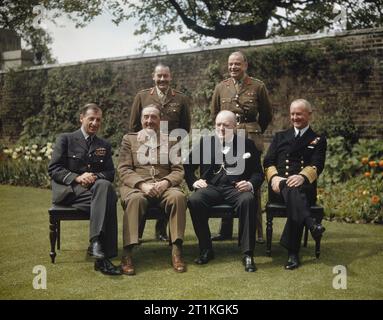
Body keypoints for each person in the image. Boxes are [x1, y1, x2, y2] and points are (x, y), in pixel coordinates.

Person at [184, 110, 264, 272]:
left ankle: (247, 254)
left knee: (248, 199)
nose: (221, 128)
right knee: (194, 200)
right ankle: (206, 249)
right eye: (218, 124)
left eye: (226, 125)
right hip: (211, 188)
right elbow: (187, 167)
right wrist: (194, 182)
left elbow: (258, 173)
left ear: (234, 127)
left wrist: (249, 184)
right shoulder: (205, 143)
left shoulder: (247, 145)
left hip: (236, 188)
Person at [48, 103, 121, 276]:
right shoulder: (65, 139)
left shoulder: (104, 144)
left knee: (104, 186)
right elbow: (54, 168)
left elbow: (110, 173)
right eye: (91, 119)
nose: (95, 123)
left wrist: (94, 177)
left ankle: (97, 246)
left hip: (93, 192)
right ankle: (104, 253)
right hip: (70, 192)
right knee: (109, 198)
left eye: (98, 120)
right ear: (82, 118)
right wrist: (77, 177)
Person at [210, 51, 272, 243]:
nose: (233, 67)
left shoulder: (258, 86)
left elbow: (266, 115)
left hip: (250, 136)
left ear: (245, 65)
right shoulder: (221, 87)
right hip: (227, 137)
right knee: (226, 177)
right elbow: (215, 114)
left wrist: (253, 130)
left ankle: (256, 232)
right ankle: (225, 231)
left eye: (237, 64)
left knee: (252, 180)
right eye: (230, 64)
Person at [118, 105, 187, 275]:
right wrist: (142, 185)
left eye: (153, 117)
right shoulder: (130, 140)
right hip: (138, 188)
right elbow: (124, 169)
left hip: (164, 187)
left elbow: (178, 170)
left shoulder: (171, 141)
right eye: (146, 117)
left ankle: (176, 250)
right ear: (141, 120)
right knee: (136, 200)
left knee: (178, 197)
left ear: (160, 120)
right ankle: (127, 253)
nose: (149, 121)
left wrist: (165, 182)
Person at [129, 63, 191, 242]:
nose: (162, 79)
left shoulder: (180, 98)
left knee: (167, 186)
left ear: (170, 77)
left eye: (166, 76)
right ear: (153, 77)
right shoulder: (142, 96)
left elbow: (185, 127)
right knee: (143, 189)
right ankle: (137, 233)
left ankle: (161, 230)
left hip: (170, 150)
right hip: (145, 148)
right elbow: (134, 125)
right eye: (159, 76)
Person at [263, 99, 327, 270]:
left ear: (309, 115)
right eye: (292, 114)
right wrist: (274, 177)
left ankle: (293, 251)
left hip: (303, 187)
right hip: (279, 187)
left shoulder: (318, 139)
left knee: (296, 192)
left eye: (299, 114)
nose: (295, 117)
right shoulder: (280, 136)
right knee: (293, 192)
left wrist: (302, 177)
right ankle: (310, 226)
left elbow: (317, 164)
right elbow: (268, 161)